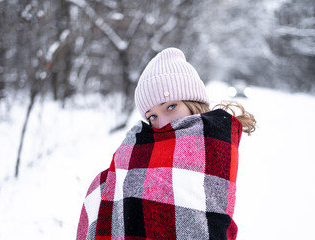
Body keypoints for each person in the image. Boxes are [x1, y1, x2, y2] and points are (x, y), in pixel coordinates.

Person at [76, 48, 256, 240]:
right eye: (152, 116)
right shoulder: (137, 157)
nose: (162, 124)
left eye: (171, 107)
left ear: (193, 103)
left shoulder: (214, 147)